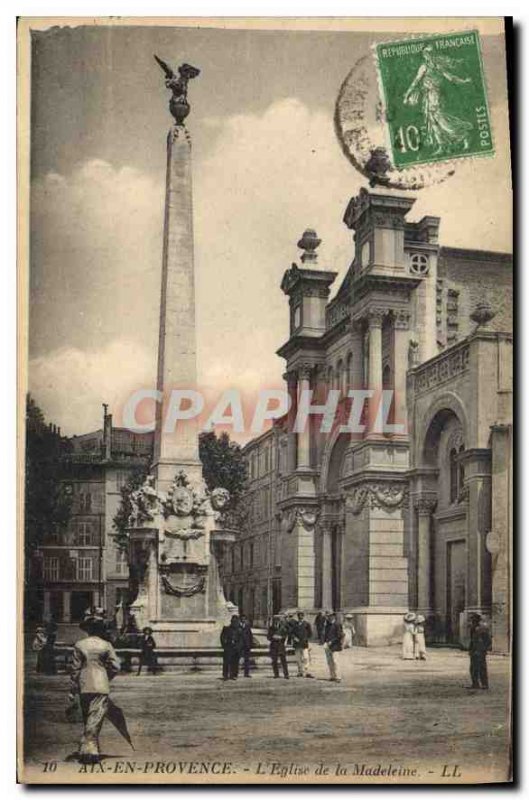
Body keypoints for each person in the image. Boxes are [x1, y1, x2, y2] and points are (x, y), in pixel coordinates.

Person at [69, 609, 121, 763]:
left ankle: (85, 747)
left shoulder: (80, 645)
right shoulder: (106, 645)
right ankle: (91, 749)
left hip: (84, 683)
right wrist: (107, 676)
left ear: (87, 629)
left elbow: (75, 669)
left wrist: (72, 688)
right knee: (96, 717)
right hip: (101, 683)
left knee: (88, 717)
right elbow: (116, 666)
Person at [467, 612, 492, 690]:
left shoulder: (482, 629)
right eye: (471, 620)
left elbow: (488, 641)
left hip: (480, 652)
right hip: (474, 651)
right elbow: (472, 640)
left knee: (482, 668)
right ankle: (475, 684)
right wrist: (470, 650)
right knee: (473, 668)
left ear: (477, 621)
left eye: (473, 620)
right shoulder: (473, 628)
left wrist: (483, 649)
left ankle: (484, 684)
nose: (471, 622)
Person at [220, 615, 243, 681]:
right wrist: (224, 645)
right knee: (226, 662)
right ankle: (225, 675)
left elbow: (241, 640)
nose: (235, 623)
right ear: (231, 621)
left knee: (235, 663)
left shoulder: (239, 630)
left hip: (236, 648)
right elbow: (222, 638)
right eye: (233, 621)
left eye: (236, 621)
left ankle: (234, 675)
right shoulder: (226, 629)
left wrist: (239, 647)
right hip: (228, 648)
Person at [323, 612, 344, 682]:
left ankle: (338, 676)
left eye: (330, 616)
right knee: (329, 661)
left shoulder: (337, 624)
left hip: (335, 646)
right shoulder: (327, 625)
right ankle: (332, 676)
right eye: (328, 616)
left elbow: (339, 635)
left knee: (336, 661)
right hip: (328, 645)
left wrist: (332, 641)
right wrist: (325, 642)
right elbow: (325, 635)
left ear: (333, 616)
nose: (329, 617)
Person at [267, 614, 289, 679]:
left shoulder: (283, 627)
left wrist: (280, 637)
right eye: (275, 620)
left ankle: (286, 674)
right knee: (274, 661)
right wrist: (273, 637)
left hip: (281, 645)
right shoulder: (271, 628)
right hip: (273, 646)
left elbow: (286, 635)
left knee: (283, 660)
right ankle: (276, 674)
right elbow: (268, 637)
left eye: (278, 619)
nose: (276, 621)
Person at [292, 611, 313, 678]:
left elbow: (310, 634)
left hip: (304, 644)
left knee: (306, 658)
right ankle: (300, 671)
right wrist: (294, 637)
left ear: (303, 616)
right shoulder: (295, 624)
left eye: (301, 616)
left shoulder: (307, 624)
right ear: (298, 617)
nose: (300, 617)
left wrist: (305, 639)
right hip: (297, 644)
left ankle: (306, 671)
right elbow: (292, 633)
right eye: (299, 616)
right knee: (298, 659)